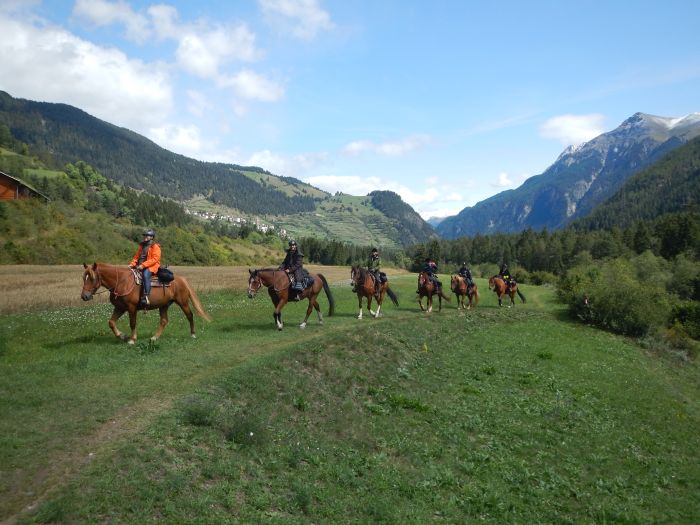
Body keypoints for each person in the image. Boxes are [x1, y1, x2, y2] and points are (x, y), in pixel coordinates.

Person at [129, 228, 161, 306]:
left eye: (147, 235)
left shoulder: (155, 246)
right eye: (145, 235)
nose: (145, 237)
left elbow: (155, 259)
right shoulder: (142, 245)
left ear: (152, 237)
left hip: (151, 267)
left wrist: (143, 265)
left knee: (145, 275)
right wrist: (132, 264)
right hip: (140, 266)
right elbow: (137, 256)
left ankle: (146, 296)